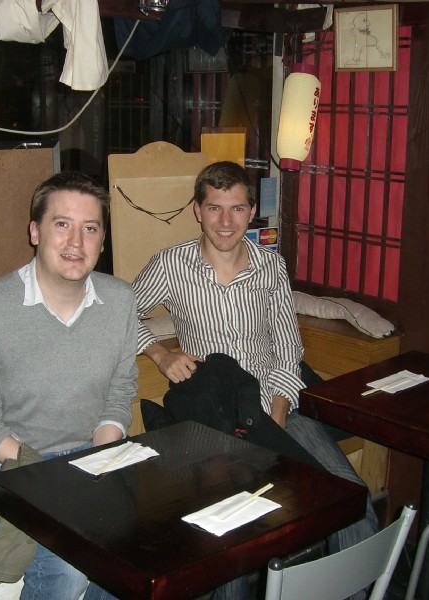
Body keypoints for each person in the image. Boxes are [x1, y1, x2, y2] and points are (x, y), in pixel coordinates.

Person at [133, 161, 379, 599]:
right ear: (198, 210)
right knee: (232, 534)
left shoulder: (270, 265)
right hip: (215, 422)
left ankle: (358, 593)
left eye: (237, 208)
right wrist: (160, 353)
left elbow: (288, 343)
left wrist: (280, 408)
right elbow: (120, 315)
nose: (225, 221)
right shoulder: (171, 264)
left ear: (251, 212)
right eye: (215, 208)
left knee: (349, 496)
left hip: (277, 408)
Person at [0, 172, 138, 600]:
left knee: (133, 556)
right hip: (9, 465)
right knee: (68, 570)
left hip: (90, 455)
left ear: (102, 241)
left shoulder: (120, 301)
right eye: (62, 224)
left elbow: (120, 391)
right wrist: (59, 478)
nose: (76, 242)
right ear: (35, 232)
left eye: (90, 228)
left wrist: (100, 459)